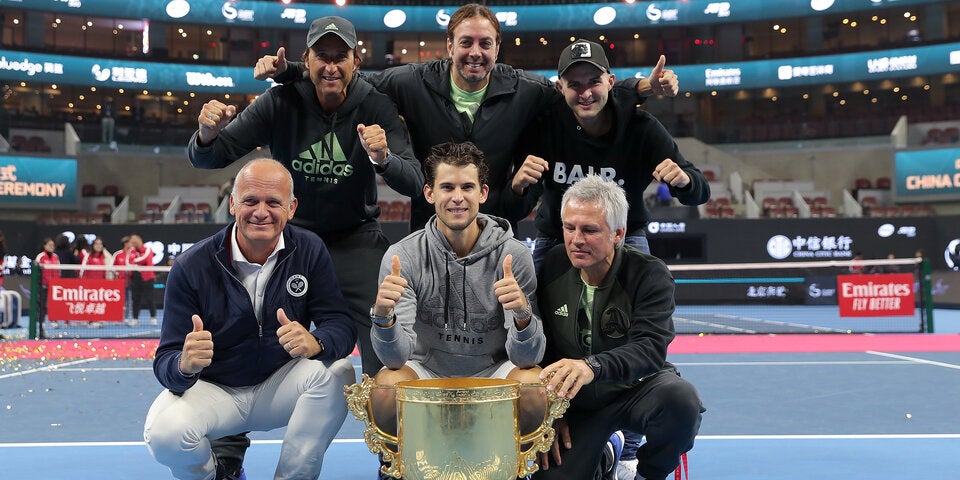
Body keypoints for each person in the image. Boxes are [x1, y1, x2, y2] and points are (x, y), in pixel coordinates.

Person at [255, 4, 678, 233]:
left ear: (498, 48)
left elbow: (581, 92)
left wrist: (641, 88)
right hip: (430, 229)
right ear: (449, 45)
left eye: (485, 44)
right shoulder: (411, 81)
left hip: (496, 227)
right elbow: (346, 75)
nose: (475, 52)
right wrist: (291, 70)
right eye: (466, 42)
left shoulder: (526, 89)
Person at [190, 15, 422, 379]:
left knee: (383, 342)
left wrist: (384, 159)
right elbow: (209, 158)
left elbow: (415, 182)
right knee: (249, 334)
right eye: (322, 56)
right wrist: (206, 134)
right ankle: (242, 417)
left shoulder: (375, 105)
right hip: (290, 241)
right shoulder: (279, 102)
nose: (331, 66)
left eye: (340, 57)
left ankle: (384, 414)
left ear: (355, 62)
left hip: (355, 238)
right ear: (307, 60)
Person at [144, 158, 357, 480]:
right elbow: (166, 361)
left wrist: (317, 341)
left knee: (338, 371)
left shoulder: (309, 249)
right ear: (232, 204)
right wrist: (184, 365)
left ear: (291, 208)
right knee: (164, 434)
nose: (261, 212)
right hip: (216, 392)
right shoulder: (191, 266)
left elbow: (340, 324)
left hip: (279, 387)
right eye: (250, 201)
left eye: (273, 202)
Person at [369, 142, 545, 476]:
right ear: (429, 193)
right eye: (447, 187)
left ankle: (514, 471)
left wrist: (523, 316)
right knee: (385, 388)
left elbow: (527, 358)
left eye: (467, 187)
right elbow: (394, 359)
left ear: (483, 193)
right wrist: (383, 318)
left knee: (535, 386)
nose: (458, 198)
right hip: (428, 371)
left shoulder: (514, 256)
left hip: (492, 372)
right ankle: (400, 471)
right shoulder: (403, 256)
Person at [533, 175, 703, 480]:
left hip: (635, 390)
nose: (576, 239)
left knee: (681, 400)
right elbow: (541, 347)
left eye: (589, 230)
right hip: (576, 403)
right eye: (569, 228)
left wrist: (592, 366)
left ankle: (647, 474)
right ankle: (607, 453)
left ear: (618, 233)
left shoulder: (649, 273)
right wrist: (549, 413)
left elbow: (650, 348)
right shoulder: (553, 264)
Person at [510, 39, 710, 271]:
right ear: (560, 88)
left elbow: (700, 192)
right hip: (559, 238)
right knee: (532, 295)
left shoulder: (642, 128)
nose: (585, 93)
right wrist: (518, 188)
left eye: (594, 82)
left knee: (648, 290)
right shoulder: (544, 129)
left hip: (624, 236)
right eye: (575, 84)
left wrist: (685, 181)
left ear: (610, 82)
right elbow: (519, 208)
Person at [125, 234, 157, 326]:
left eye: (135, 240)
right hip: (135, 277)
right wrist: (137, 263)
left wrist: (135, 262)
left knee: (150, 298)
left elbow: (145, 258)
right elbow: (128, 262)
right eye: (132, 241)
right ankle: (135, 319)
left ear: (139, 240)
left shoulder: (148, 249)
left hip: (147, 277)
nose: (133, 242)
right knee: (135, 299)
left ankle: (153, 318)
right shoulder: (131, 250)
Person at [34, 238, 60, 332]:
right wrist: (39, 282)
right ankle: (42, 322)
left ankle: (54, 321)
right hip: (43, 285)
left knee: (54, 305)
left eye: (53, 245)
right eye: (49, 245)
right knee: (42, 305)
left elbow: (59, 270)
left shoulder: (56, 257)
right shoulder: (40, 256)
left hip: (54, 286)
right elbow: (36, 270)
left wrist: (57, 283)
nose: (51, 247)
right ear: (44, 246)